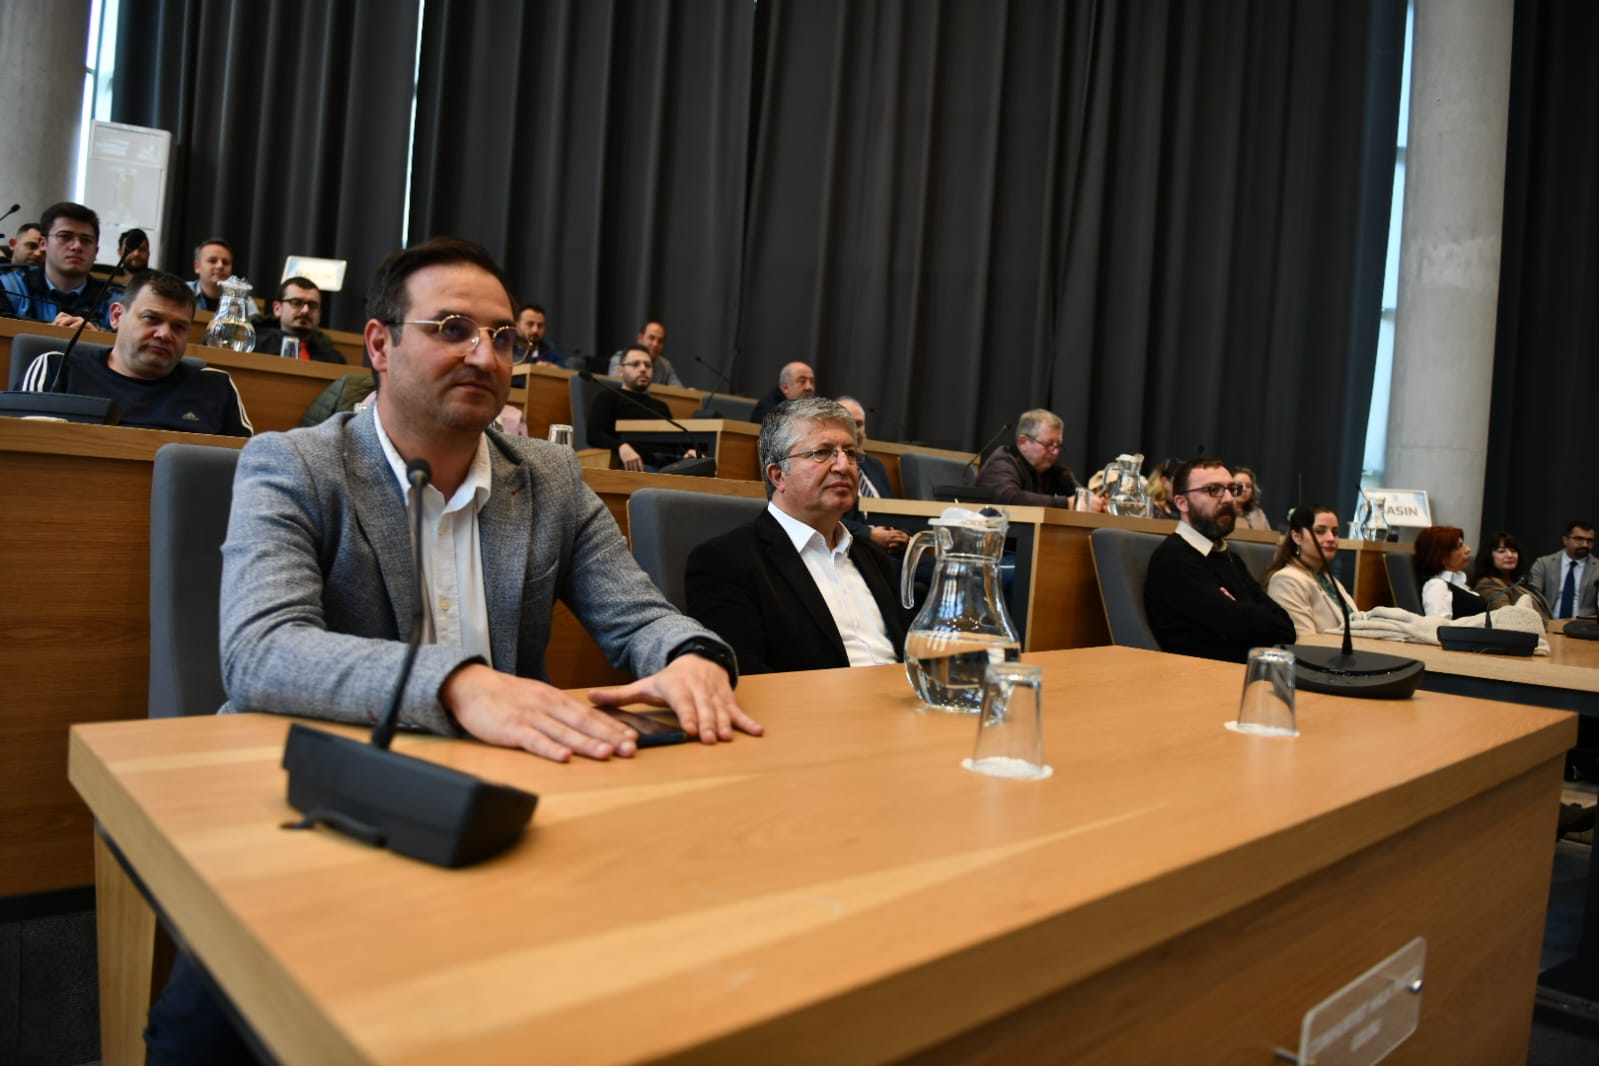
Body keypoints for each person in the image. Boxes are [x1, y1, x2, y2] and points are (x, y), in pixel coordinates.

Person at [217, 237, 754, 754]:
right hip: (328, 765)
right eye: (453, 329)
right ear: (380, 345)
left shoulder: (550, 476)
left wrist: (691, 656)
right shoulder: (294, 465)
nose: (485, 357)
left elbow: (640, 617)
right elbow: (261, 651)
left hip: (508, 767)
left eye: (502, 338)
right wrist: (459, 684)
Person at [685, 396, 909, 675]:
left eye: (850, 453)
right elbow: (745, 678)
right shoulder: (724, 563)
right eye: (822, 452)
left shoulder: (875, 559)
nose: (843, 466)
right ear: (778, 475)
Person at [17, 269, 253, 437]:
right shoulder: (56, 369)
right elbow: (19, 452)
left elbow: (246, 471)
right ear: (116, 316)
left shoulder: (216, 387)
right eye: (151, 318)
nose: (164, 334)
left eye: (179, 327)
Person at [1144, 458, 1296, 661]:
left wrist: (1239, 607)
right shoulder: (1173, 559)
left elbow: (1286, 628)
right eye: (1213, 490)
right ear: (1182, 502)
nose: (1228, 499)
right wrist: (1246, 609)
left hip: (1242, 670)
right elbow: (1238, 626)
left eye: (1231, 489)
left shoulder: (1230, 557)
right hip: (1200, 675)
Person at [0, 202, 115, 328]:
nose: (77, 246)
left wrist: (97, 337)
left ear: (96, 251)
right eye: (65, 236)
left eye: (86, 240)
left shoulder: (114, 302)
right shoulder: (8, 287)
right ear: (43, 244)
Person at [585, 344, 699, 471]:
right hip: (638, 466)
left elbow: (674, 442)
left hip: (671, 464)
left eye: (648, 365)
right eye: (635, 364)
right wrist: (622, 447)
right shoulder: (608, 396)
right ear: (621, 371)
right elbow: (594, 435)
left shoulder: (661, 405)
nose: (643, 369)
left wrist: (688, 452)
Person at [1264, 505, 1358, 638]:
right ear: (1297, 537)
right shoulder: (1286, 580)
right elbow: (1304, 641)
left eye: (1335, 532)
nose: (1331, 538)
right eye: (1320, 531)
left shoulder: (1327, 578)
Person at [836, 396, 908, 554]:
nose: (855, 430)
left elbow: (893, 509)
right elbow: (825, 518)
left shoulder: (876, 466)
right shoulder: (830, 466)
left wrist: (902, 534)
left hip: (893, 551)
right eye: (848, 423)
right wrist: (869, 534)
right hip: (856, 549)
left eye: (859, 424)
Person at [974, 410, 1080, 508]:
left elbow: (1080, 497)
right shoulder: (1001, 463)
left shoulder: (1054, 470)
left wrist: (1084, 499)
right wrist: (1065, 503)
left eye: (1058, 446)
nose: (1055, 452)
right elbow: (1010, 497)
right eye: (1048, 444)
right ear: (1023, 441)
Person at [251, 276, 346, 363]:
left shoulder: (333, 359)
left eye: (312, 305)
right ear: (277, 309)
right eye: (296, 303)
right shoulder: (254, 347)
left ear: (320, 313)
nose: (305, 310)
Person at [1469, 531, 1552, 619]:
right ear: (1488, 556)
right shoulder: (1488, 583)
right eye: (1501, 551)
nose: (1510, 555)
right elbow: (1508, 617)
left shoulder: (1519, 582)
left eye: (1513, 551)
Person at [1526, 521, 1598, 619]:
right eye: (1579, 539)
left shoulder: (1597, 568)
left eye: (1589, 540)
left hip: (1585, 624)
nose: (1585, 544)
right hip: (1549, 622)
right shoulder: (1544, 564)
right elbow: (1533, 597)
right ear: (1565, 540)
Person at [1414, 525, 1484, 619]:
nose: (1468, 549)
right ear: (1441, 555)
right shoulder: (1437, 586)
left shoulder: (1458, 583)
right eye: (1459, 546)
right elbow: (1440, 625)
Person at [607, 319, 683, 385]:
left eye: (660, 341)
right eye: (651, 338)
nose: (655, 344)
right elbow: (615, 386)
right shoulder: (620, 358)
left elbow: (679, 391)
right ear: (640, 338)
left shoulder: (665, 365)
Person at [749, 361, 816, 422]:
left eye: (812, 381)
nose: (809, 387)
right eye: (802, 381)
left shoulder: (815, 407)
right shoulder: (767, 409)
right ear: (785, 387)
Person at [188, 237, 234, 312]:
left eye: (225, 262)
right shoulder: (182, 293)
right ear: (197, 267)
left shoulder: (241, 300)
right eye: (212, 261)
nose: (220, 266)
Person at [1233, 466, 1271, 530]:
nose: (1244, 489)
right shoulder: (1221, 513)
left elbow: (1269, 535)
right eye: (1239, 485)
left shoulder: (1258, 514)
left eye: (1248, 486)